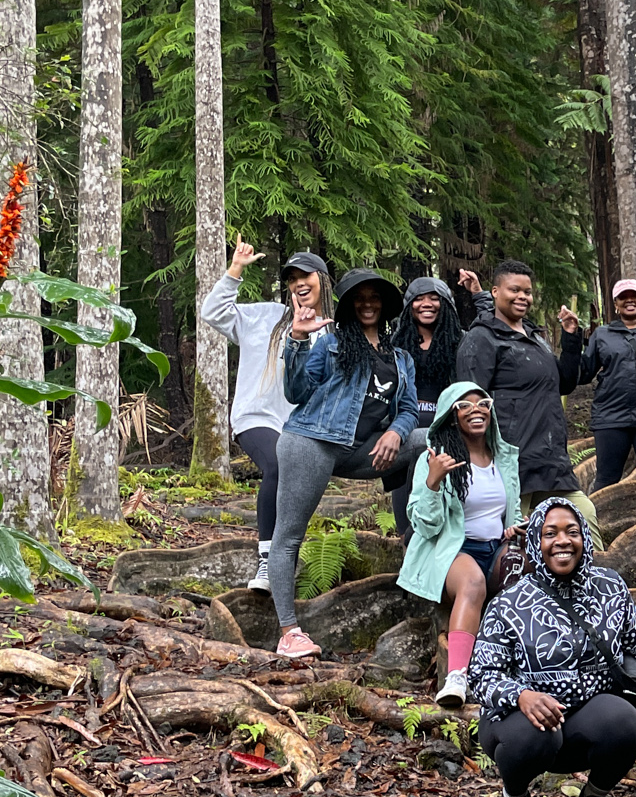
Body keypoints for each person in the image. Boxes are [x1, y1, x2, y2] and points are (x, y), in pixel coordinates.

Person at [470, 499, 636, 797]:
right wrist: (523, 696)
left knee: (625, 724)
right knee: (535, 735)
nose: (562, 541)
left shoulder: (609, 588)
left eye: (572, 532)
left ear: (584, 538)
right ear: (536, 541)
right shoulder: (509, 603)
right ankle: (515, 796)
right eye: (550, 533)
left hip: (583, 720)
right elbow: (481, 676)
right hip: (521, 726)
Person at [268, 268, 420, 660]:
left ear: (385, 307)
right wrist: (299, 339)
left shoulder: (401, 358)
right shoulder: (332, 344)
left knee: (431, 440)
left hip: (361, 450)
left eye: (375, 298)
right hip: (311, 441)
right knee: (288, 537)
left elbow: (407, 410)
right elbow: (296, 391)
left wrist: (396, 434)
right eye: (360, 298)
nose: (368, 304)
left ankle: (422, 529)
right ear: (351, 305)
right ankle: (289, 631)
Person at [197, 240, 331, 593]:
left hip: (301, 428)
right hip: (255, 417)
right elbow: (213, 312)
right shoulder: (266, 317)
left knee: (296, 481)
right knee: (277, 466)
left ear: (323, 280)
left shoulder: (333, 335)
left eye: (306, 276)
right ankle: (267, 562)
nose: (299, 284)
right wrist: (235, 269)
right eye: (292, 279)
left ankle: (286, 558)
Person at [398, 383, 519, 709]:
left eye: (483, 404)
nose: (476, 410)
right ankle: (457, 678)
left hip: (496, 548)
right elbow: (425, 525)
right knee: (473, 582)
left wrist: (514, 528)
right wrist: (433, 482)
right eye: (466, 405)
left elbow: (514, 511)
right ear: (452, 415)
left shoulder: (503, 457)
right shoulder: (435, 458)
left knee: (527, 577)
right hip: (453, 551)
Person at [455, 261, 595, 525]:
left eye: (527, 292)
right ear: (495, 292)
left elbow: (564, 383)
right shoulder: (482, 339)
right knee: (512, 540)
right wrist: (479, 460)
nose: (522, 297)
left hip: (552, 463)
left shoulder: (533, 336)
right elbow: (471, 402)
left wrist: (571, 338)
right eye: (514, 290)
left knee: (583, 518)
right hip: (511, 464)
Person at [388, 276, 465, 536]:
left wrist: (479, 294)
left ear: (446, 304)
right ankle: (406, 541)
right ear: (409, 305)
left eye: (434, 298)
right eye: (419, 298)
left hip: (445, 424)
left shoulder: (460, 341)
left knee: (442, 482)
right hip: (405, 424)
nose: (426, 304)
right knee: (404, 481)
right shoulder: (395, 343)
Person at [580, 278, 636, 489]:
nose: (629, 301)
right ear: (615, 303)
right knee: (606, 479)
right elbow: (583, 374)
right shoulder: (602, 334)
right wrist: (572, 340)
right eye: (623, 297)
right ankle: (599, 521)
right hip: (610, 416)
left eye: (634, 296)